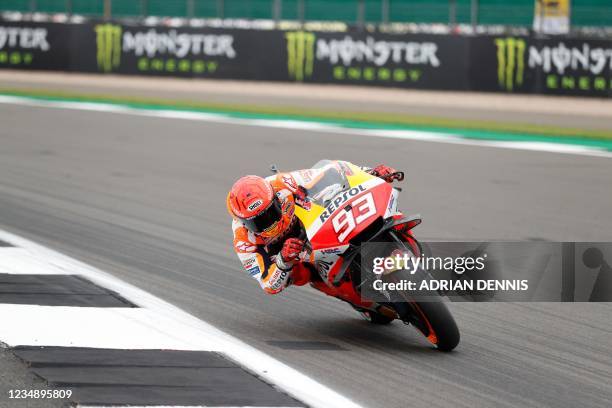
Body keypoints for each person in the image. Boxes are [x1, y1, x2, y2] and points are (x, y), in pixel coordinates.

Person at [226, 161, 401, 294]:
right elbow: (268, 284)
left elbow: (332, 171)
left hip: (314, 223)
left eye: (270, 212)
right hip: (293, 254)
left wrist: (370, 173)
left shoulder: (282, 183)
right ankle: (350, 291)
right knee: (301, 276)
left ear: (275, 199)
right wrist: (283, 261)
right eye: (257, 222)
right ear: (242, 221)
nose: (268, 223)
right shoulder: (243, 240)